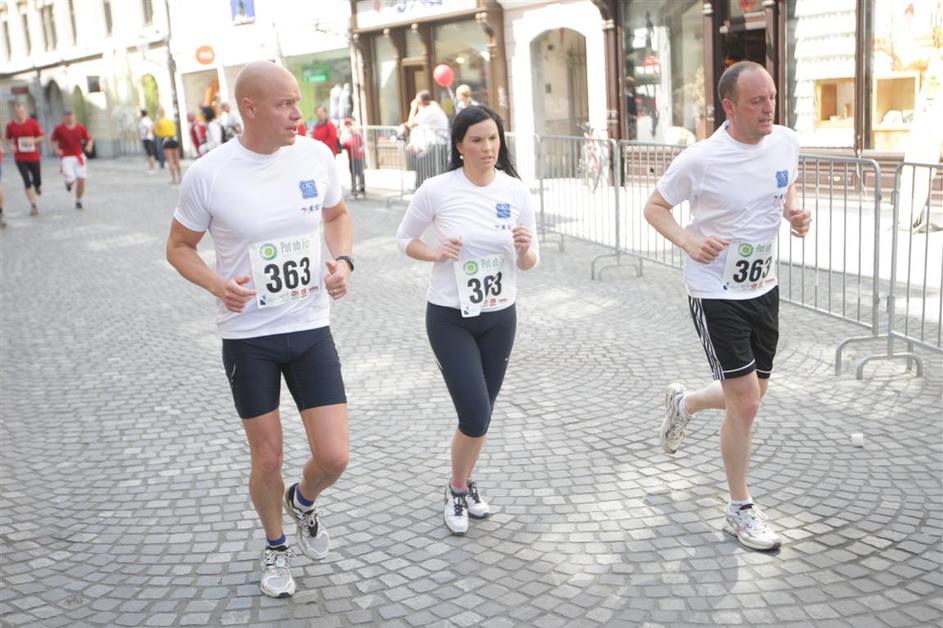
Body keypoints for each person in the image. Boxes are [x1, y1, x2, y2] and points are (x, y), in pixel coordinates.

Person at [165, 61, 353, 599]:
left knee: (334, 456)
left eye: (298, 102)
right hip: (249, 337)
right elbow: (178, 247)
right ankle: (275, 545)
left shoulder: (316, 155)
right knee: (267, 456)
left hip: (310, 325)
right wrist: (216, 283)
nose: (298, 113)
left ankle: (303, 501)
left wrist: (343, 261)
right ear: (249, 108)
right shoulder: (209, 173)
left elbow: (338, 215)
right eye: (285, 104)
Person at [643, 61, 812, 552]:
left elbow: (785, 183)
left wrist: (793, 212)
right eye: (757, 101)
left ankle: (685, 403)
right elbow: (654, 207)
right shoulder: (701, 158)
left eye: (772, 97)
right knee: (747, 403)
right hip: (715, 291)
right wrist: (688, 241)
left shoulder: (786, 141)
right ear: (729, 107)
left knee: (751, 393)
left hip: (763, 287)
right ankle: (740, 508)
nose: (769, 108)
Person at [395, 105, 539, 535]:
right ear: (459, 145)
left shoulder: (515, 191)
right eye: (476, 140)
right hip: (450, 317)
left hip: (500, 315)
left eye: (493, 138)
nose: (487, 147)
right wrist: (436, 252)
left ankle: (465, 481)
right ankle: (457, 489)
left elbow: (530, 261)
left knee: (483, 415)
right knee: (474, 413)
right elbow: (405, 239)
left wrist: (524, 249)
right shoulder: (437, 190)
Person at [401, 90, 450, 190]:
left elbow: (411, 123)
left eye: (417, 100)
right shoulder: (430, 109)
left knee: (424, 165)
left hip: (437, 144)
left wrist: (413, 108)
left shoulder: (430, 110)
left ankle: (420, 187)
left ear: (420, 101)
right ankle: (422, 187)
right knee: (430, 168)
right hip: (437, 144)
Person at [5, 102, 45, 215]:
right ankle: (33, 205)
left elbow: (42, 136)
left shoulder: (33, 123)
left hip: (34, 157)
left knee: (37, 179)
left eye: (21, 112)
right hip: (20, 157)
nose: (20, 114)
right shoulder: (10, 126)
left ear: (25, 111)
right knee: (26, 181)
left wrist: (33, 140)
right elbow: (7, 139)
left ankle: (37, 185)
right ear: (15, 113)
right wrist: (11, 146)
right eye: (17, 112)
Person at [50, 109, 94, 210]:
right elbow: (53, 140)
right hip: (66, 157)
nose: (70, 118)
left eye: (71, 115)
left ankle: (78, 200)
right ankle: (68, 184)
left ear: (74, 116)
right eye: (67, 116)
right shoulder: (59, 129)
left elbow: (89, 139)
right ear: (64, 117)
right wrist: (56, 150)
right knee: (71, 179)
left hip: (79, 156)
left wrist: (89, 146)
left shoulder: (80, 128)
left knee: (81, 179)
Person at [340, 117, 365, 198]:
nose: (348, 126)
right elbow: (344, 144)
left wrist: (360, 149)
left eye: (349, 124)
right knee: (353, 173)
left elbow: (362, 144)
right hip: (351, 157)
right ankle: (354, 188)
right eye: (346, 125)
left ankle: (362, 187)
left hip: (359, 157)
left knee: (360, 172)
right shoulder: (346, 135)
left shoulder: (357, 134)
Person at [155, 109, 181, 184]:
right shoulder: (170, 121)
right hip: (173, 139)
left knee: (170, 161)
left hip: (166, 140)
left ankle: (174, 179)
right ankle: (180, 178)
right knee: (177, 160)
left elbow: (157, 133)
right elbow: (174, 130)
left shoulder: (158, 122)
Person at [139, 109, 157, 174]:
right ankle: (151, 168)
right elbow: (153, 126)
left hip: (147, 138)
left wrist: (147, 134)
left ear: (142, 114)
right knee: (150, 154)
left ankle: (152, 168)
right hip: (149, 138)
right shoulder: (148, 120)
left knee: (150, 154)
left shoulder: (144, 120)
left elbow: (148, 128)